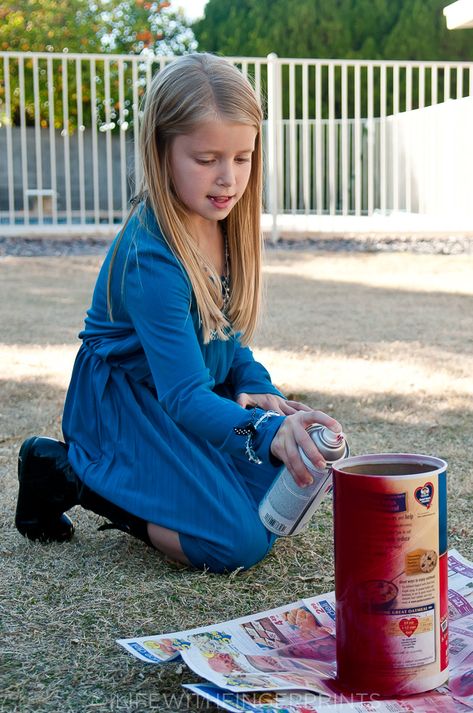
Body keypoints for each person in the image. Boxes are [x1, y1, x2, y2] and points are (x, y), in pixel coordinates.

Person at [15, 53, 342, 573]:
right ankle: (67, 474)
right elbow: (184, 395)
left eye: (242, 157)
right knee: (238, 542)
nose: (227, 179)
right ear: (162, 151)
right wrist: (260, 432)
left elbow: (228, 337)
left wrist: (259, 388)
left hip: (186, 397)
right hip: (127, 407)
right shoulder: (152, 255)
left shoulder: (223, 222)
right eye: (206, 158)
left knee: (282, 490)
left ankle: (158, 479)